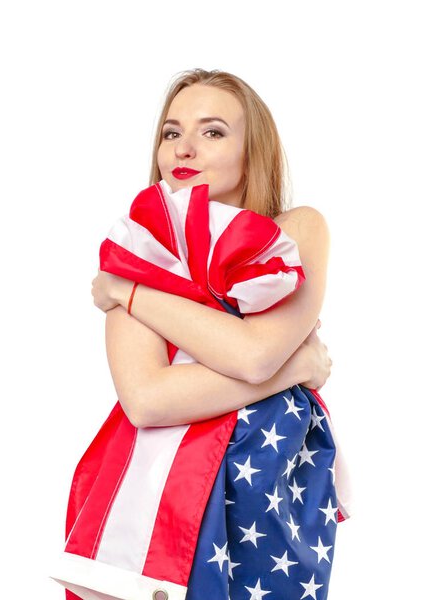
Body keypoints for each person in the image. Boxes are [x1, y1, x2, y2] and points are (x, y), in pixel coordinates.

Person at [87, 68, 343, 599]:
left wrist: (131, 294)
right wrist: (295, 367)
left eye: (212, 132)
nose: (183, 149)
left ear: (255, 151)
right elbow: (148, 401)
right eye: (171, 132)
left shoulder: (295, 230)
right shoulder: (140, 250)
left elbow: (254, 355)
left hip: (267, 491)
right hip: (158, 501)